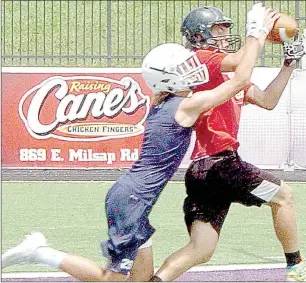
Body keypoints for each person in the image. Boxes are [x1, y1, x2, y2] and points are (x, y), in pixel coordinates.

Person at [1, 4, 278, 282]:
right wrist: (257, 31)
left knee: (141, 279)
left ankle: (38, 251)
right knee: (112, 281)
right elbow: (240, 78)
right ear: (171, 76)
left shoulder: (169, 102)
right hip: (132, 200)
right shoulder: (185, 106)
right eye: (186, 68)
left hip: (132, 198)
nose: (193, 70)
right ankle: (39, 252)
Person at [150, 6, 306, 283]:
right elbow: (242, 58)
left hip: (205, 171)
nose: (226, 35)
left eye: (227, 29)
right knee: (283, 196)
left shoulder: (230, 75)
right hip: (220, 164)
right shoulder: (201, 59)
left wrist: (288, 64)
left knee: (200, 249)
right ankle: (297, 269)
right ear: (199, 36)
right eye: (219, 30)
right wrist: (259, 32)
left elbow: (268, 100)